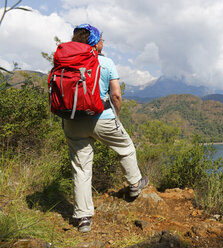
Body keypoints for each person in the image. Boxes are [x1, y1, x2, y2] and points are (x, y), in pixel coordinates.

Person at [63, 24, 149, 233]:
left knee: (81, 168)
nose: (104, 42)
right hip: (102, 117)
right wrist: (116, 117)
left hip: (73, 121)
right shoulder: (106, 62)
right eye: (102, 39)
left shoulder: (65, 63)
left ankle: (83, 218)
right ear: (95, 43)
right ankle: (135, 184)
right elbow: (116, 95)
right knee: (126, 147)